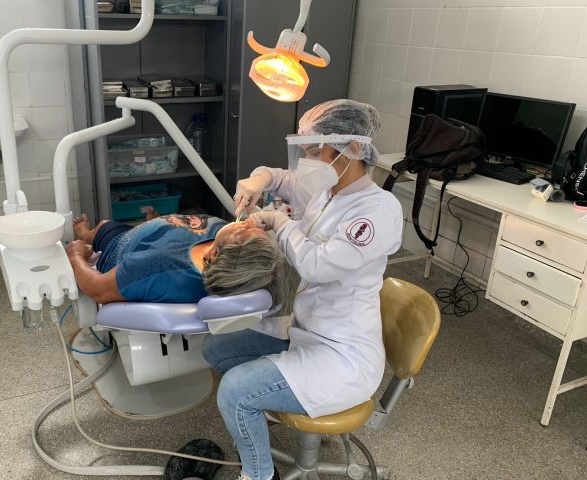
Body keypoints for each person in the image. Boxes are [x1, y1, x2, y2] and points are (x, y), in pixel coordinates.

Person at [203, 99, 404, 480]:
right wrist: (257, 185)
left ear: (353, 148)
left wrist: (278, 222)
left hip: (343, 355)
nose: (307, 161)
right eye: (305, 151)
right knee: (217, 349)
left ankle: (259, 475)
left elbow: (317, 265)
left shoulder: (377, 210)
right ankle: (271, 404)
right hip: (307, 329)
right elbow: (278, 177)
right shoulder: (326, 191)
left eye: (315, 152)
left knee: (235, 392)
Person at [65, 213, 296, 315]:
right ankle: (151, 221)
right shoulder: (230, 256)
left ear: (215, 255)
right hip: (154, 236)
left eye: (244, 230)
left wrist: (76, 255)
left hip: (118, 244)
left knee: (104, 225)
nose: (246, 222)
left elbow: (97, 289)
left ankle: (86, 234)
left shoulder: (157, 266)